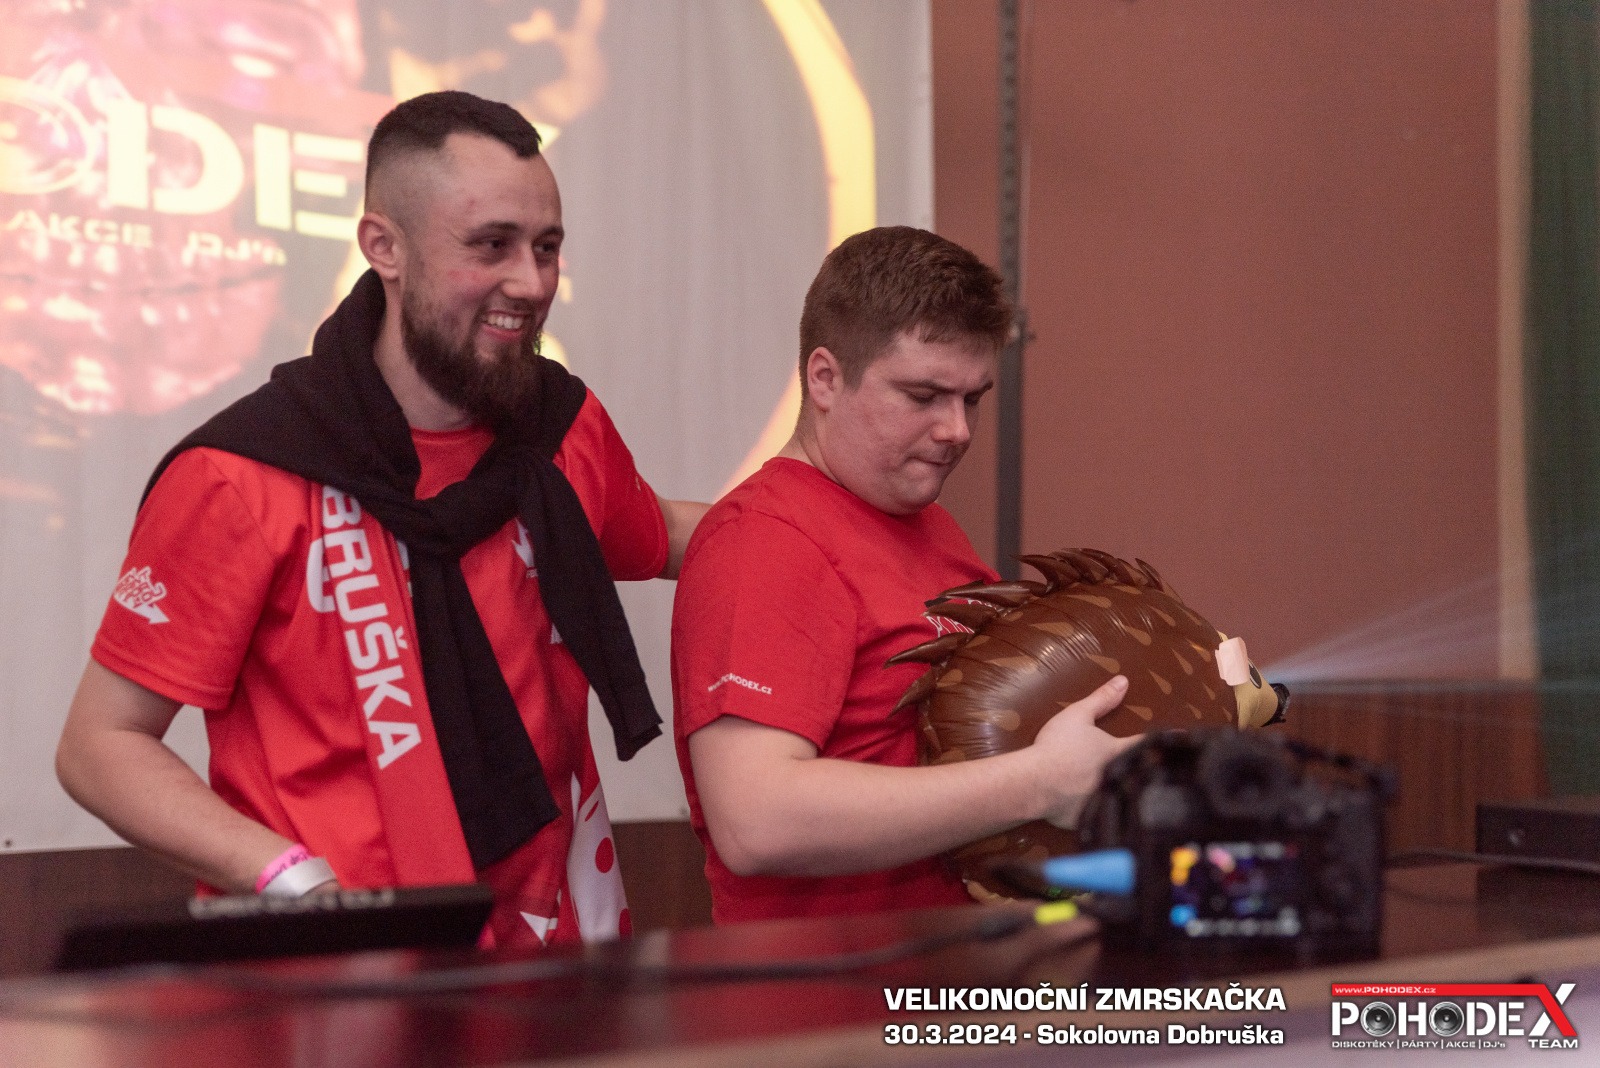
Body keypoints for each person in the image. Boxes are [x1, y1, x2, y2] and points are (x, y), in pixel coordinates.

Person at [55, 90, 707, 950]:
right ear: (383, 247)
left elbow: (670, 535)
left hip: (548, 961)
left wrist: (834, 526)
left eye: (547, 247)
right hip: (328, 967)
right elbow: (101, 745)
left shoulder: (561, 431)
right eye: (492, 245)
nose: (532, 282)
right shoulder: (243, 472)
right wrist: (294, 880)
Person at [671, 226, 1139, 923]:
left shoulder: (929, 525)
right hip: (826, 986)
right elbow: (755, 822)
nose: (957, 430)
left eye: (972, 399)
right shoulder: (764, 542)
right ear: (825, 379)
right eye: (924, 396)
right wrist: (1041, 783)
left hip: (957, 968)